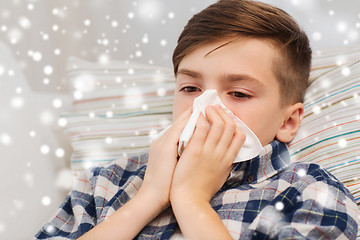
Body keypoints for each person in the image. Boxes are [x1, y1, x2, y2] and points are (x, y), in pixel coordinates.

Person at [35, 0, 359, 239]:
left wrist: (192, 200)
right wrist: (148, 198)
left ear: (288, 122)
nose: (206, 107)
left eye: (239, 94)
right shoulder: (104, 184)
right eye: (191, 88)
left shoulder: (310, 192)